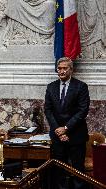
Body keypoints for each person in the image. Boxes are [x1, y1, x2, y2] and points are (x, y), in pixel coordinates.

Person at [44, 57, 90, 189]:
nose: (62, 71)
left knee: (78, 172)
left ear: (71, 70)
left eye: (65, 68)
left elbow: (82, 111)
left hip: (76, 136)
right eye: (59, 68)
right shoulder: (51, 87)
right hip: (58, 137)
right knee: (59, 172)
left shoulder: (81, 86)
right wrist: (58, 130)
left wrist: (66, 128)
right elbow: (48, 110)